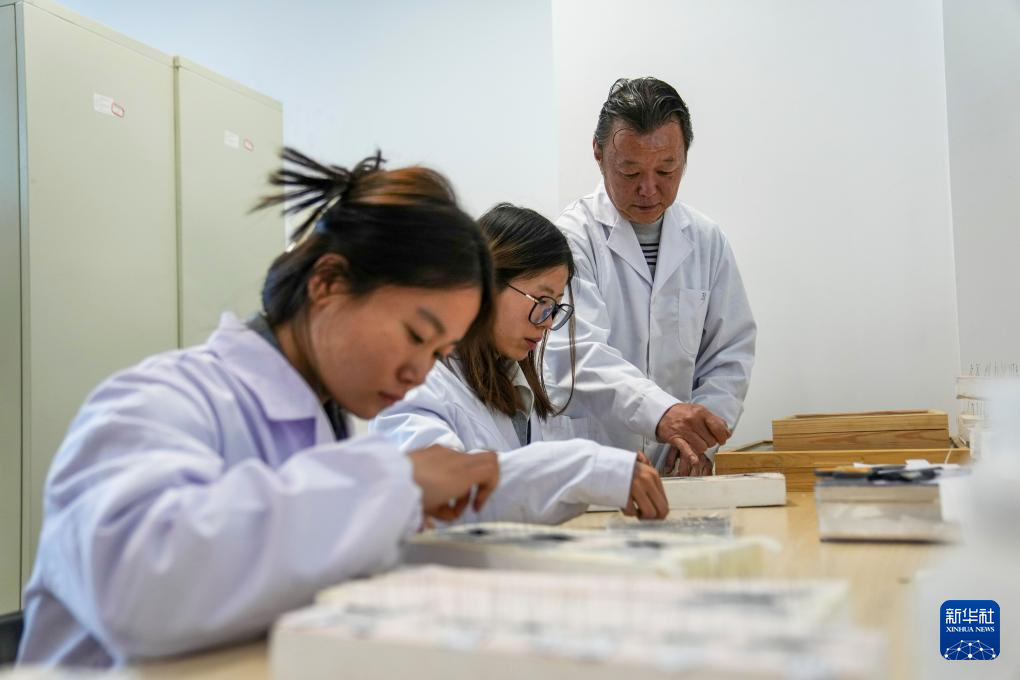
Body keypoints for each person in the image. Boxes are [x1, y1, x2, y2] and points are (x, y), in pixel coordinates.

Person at [17, 148, 501, 667]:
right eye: (416, 336)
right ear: (328, 282)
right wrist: (390, 481)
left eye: (439, 354)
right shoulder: (158, 399)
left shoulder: (325, 423)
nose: (419, 372)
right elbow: (138, 587)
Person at [371, 203, 668, 523]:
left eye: (554, 307)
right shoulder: (418, 386)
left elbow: (523, 490)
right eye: (541, 301)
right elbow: (447, 497)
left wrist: (598, 472)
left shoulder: (519, 385)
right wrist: (588, 468)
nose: (547, 322)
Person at [544, 77, 756, 477]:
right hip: (596, 466)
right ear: (598, 153)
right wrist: (663, 414)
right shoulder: (572, 239)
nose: (648, 188)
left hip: (680, 464)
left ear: (684, 157)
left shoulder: (706, 240)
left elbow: (729, 353)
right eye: (629, 171)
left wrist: (700, 433)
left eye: (666, 169)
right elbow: (578, 354)